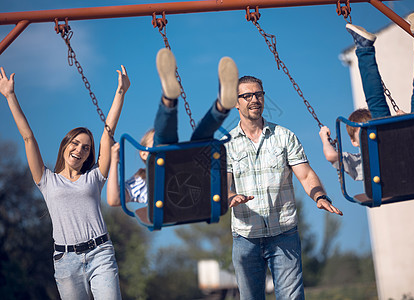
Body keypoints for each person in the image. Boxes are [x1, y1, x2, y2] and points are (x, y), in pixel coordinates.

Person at [0, 65, 129, 299]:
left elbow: (107, 133)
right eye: (75, 143)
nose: (80, 150)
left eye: (86, 148)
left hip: (100, 253)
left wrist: (121, 91)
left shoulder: (95, 177)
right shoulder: (46, 180)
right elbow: (28, 137)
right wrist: (10, 96)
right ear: (65, 145)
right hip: (65, 261)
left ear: (90, 155)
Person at [225, 75, 343, 300]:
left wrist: (320, 196)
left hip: (284, 234)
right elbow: (224, 183)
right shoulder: (227, 144)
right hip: (245, 237)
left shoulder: (284, 137)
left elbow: (306, 174)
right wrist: (231, 195)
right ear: (235, 102)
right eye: (247, 95)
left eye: (259, 94)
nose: (254, 100)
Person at [107, 48, 238, 207]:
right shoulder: (142, 179)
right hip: (191, 200)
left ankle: (215, 104)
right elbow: (114, 200)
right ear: (143, 153)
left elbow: (114, 201)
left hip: (177, 202)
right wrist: (114, 161)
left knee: (196, 140)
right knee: (180, 140)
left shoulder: (141, 184)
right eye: (152, 141)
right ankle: (220, 108)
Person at [319, 9, 414, 180]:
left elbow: (331, 156)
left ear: (354, 142)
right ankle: (366, 48)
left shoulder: (362, 161)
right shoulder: (404, 144)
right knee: (384, 103)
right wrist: (403, 122)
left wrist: (323, 138)